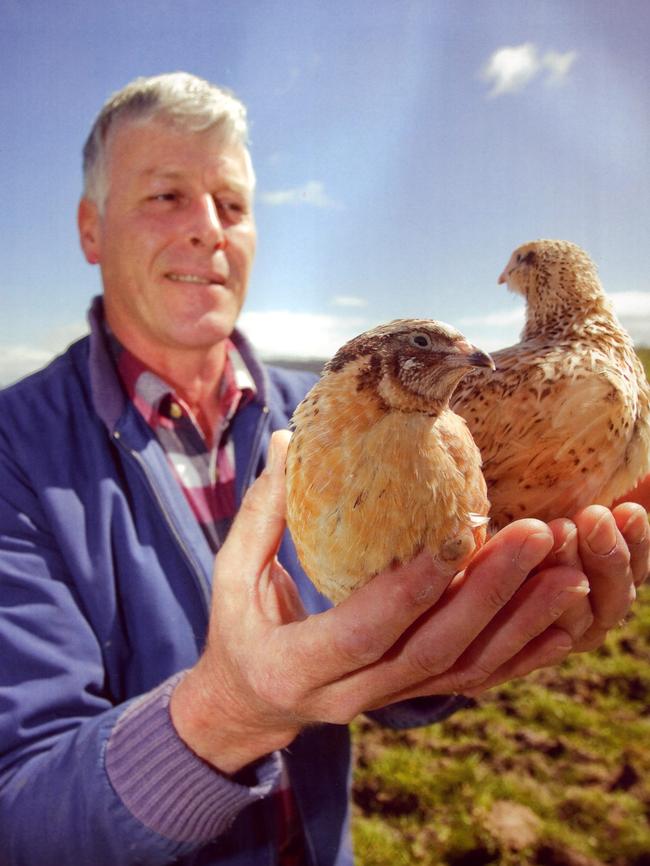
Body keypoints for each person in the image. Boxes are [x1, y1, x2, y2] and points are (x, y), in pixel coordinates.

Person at [0, 72, 647, 866]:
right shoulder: (14, 454)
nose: (208, 228)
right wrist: (231, 710)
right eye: (166, 195)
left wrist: (452, 654)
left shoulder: (343, 407)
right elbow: (17, 814)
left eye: (232, 205)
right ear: (91, 229)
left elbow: (379, 659)